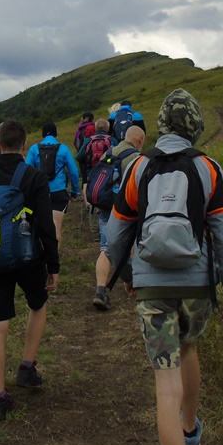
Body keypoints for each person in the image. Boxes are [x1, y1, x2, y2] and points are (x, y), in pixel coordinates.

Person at [107, 90, 223, 445]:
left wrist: (127, 276)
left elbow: (116, 235)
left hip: (152, 288)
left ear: (162, 126)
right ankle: (190, 431)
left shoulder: (139, 168)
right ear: (195, 128)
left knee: (164, 385)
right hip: (196, 287)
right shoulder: (209, 169)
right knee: (189, 349)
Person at [0, 120, 60, 421]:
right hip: (29, 259)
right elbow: (46, 226)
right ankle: (26, 368)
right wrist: (53, 265)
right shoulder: (34, 176)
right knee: (38, 305)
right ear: (24, 145)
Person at [91, 124, 145, 311]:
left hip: (104, 208)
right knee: (133, 245)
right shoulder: (136, 159)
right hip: (125, 212)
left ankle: (100, 290)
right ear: (140, 140)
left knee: (106, 248)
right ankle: (133, 283)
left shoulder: (108, 153)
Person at [25, 122, 80, 250]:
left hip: (40, 193)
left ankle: (41, 254)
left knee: (41, 225)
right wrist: (74, 191)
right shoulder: (64, 149)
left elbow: (27, 171)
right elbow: (73, 172)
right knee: (56, 225)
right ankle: (54, 257)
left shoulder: (34, 149)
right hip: (59, 192)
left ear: (43, 134)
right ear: (55, 133)